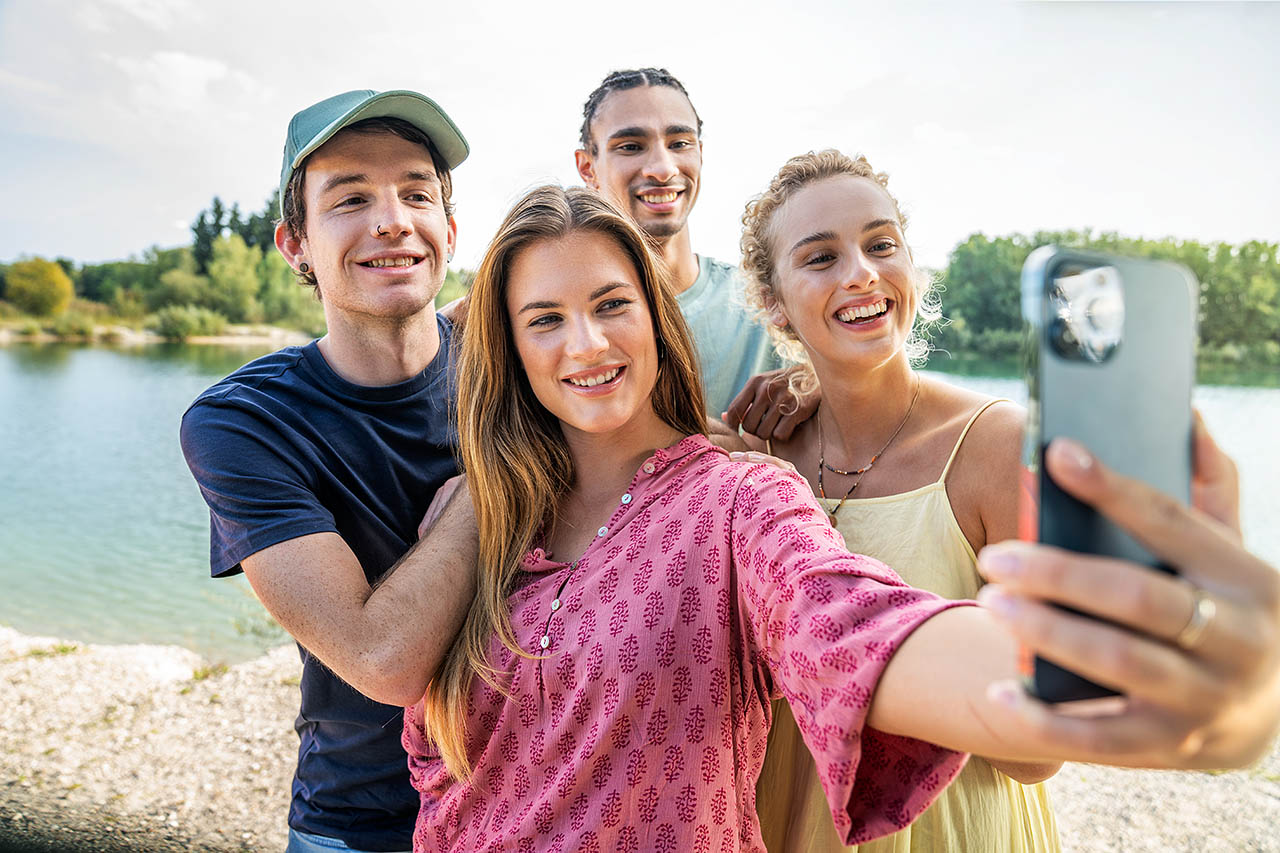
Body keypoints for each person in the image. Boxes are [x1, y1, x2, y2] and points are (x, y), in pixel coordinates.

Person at [401, 184, 1280, 852]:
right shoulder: (473, 516)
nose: (585, 344)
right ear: (509, 348)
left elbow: (863, 629)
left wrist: (1166, 686)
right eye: (544, 319)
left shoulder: (741, 498)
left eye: (610, 304)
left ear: (657, 316)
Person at [180, 89, 481, 853]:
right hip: (362, 822)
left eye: (417, 192)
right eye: (350, 198)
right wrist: (494, 485)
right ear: (295, 245)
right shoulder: (242, 423)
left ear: (448, 228)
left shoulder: (512, 364)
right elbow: (384, 661)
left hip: (541, 800)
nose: (392, 220)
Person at [739, 150, 1059, 851]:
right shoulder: (760, 457)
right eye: (819, 257)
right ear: (773, 301)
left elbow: (1040, 749)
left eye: (881, 244)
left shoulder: (993, 445)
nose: (860, 271)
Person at [575, 68, 811, 438]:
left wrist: (820, 383)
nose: (662, 169)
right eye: (631, 146)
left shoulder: (763, 301)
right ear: (588, 168)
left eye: (680, 143)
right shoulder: (561, 317)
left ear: (700, 153)